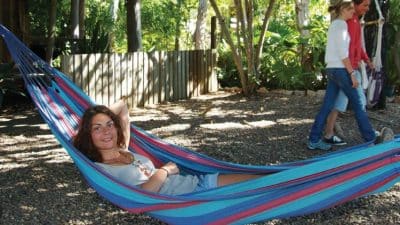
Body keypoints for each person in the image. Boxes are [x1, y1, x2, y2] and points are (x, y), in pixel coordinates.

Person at [73, 99, 262, 195]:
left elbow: (122, 105)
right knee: (259, 190)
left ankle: (291, 183)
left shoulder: (123, 147)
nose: (106, 131)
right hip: (188, 200)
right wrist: (165, 170)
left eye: (109, 124)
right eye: (97, 128)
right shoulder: (100, 169)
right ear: (88, 135)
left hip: (198, 182)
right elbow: (145, 193)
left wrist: (96, 114)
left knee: (264, 181)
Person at [308, 0, 379, 150]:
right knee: (359, 105)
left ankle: (313, 140)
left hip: (332, 69)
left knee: (327, 106)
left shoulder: (335, 25)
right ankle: (370, 139)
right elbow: (343, 54)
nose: (353, 12)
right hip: (341, 70)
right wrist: (352, 74)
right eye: (351, 10)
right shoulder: (341, 26)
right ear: (344, 10)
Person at [323, 0, 374, 146]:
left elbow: (358, 44)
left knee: (338, 102)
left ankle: (328, 133)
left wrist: (365, 58)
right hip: (347, 69)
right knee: (359, 102)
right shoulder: (347, 22)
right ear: (355, 5)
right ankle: (370, 137)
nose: (367, 8)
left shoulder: (355, 20)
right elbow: (345, 49)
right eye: (365, 5)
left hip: (349, 68)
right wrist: (350, 72)